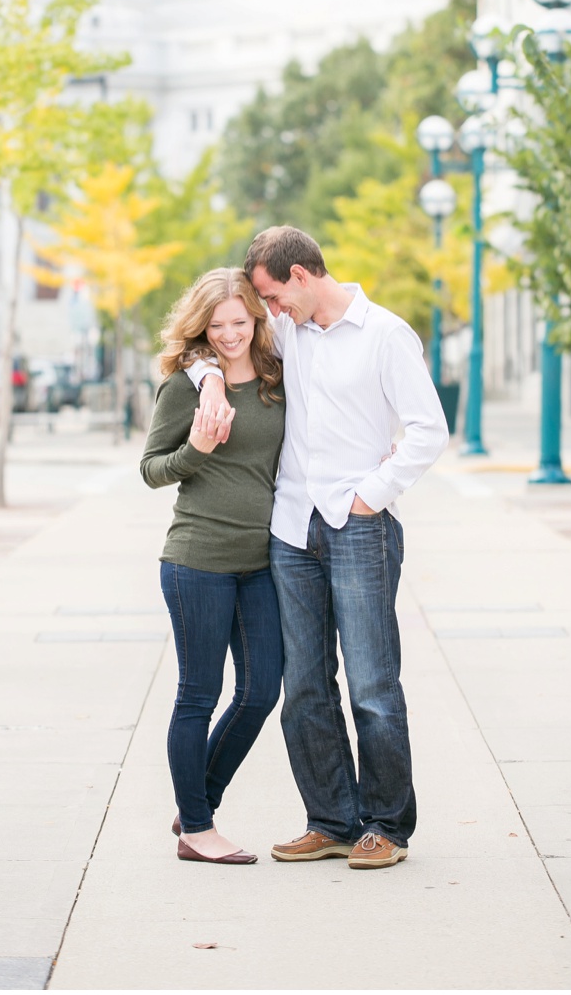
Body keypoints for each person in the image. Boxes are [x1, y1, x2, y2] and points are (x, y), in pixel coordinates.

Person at [191, 225, 448, 871]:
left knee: (371, 684)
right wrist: (209, 382)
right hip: (290, 529)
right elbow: (205, 343)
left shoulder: (385, 335)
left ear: (302, 276)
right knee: (304, 686)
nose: (267, 314)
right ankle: (331, 818)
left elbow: (428, 430)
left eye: (275, 297)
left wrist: (372, 493)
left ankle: (386, 825)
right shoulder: (286, 332)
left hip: (359, 526)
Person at [141, 268, 286, 865]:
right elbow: (152, 468)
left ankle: (196, 800)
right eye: (217, 325)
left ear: (257, 319)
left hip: (260, 562)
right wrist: (197, 449)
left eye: (240, 322)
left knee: (260, 692)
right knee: (198, 695)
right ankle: (197, 830)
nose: (229, 335)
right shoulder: (185, 385)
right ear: (201, 326)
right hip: (197, 561)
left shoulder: (276, 380)